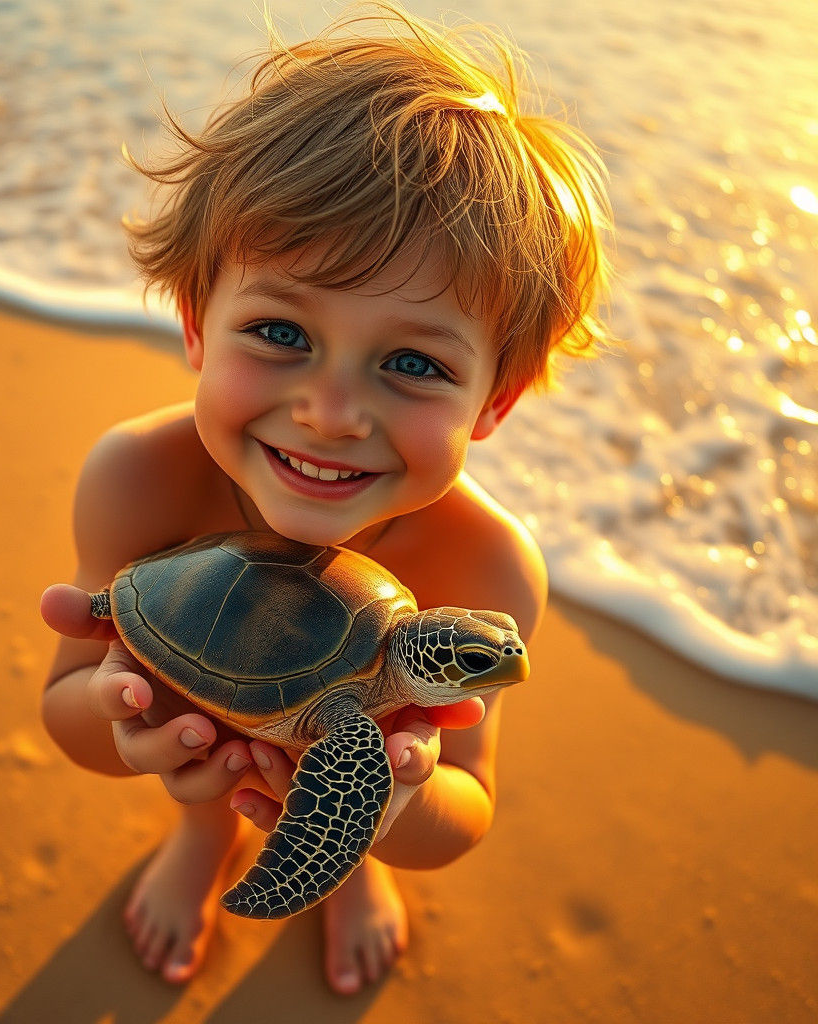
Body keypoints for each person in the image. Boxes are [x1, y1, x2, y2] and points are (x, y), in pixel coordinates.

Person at [40, 1, 610, 995]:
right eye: (281, 334)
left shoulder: (480, 572)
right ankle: (202, 835)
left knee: (357, 793)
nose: (332, 412)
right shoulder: (139, 479)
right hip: (195, 735)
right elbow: (65, 711)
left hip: (362, 776)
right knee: (207, 758)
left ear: (494, 401)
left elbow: (464, 805)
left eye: (410, 362)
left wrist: (391, 811)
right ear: (196, 325)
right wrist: (114, 711)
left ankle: (344, 866)